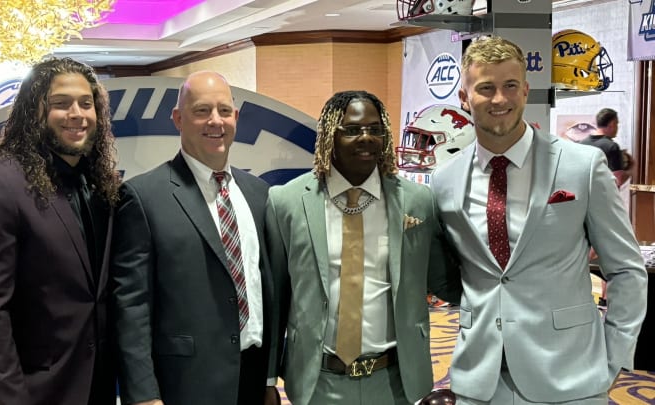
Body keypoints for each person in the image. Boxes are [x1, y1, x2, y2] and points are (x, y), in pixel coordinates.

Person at [430, 35, 648, 404]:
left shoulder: (582, 166)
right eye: (486, 88)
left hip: (570, 375)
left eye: (510, 85)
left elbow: (626, 269)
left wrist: (614, 359)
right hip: (479, 379)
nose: (500, 99)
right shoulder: (445, 179)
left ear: (526, 90)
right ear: (464, 98)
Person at [266, 90, 462, 405]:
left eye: (375, 129)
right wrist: (267, 379)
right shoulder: (285, 202)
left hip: (397, 382)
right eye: (353, 130)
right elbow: (275, 298)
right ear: (330, 134)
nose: (366, 138)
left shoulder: (417, 201)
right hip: (319, 384)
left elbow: (442, 280)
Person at [0, 57, 121, 405]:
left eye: (86, 103)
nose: (77, 114)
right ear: (34, 112)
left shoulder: (98, 186)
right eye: (61, 103)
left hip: (90, 387)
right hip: (24, 393)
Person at [110, 71, 279, 405]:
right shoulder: (144, 196)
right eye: (202, 111)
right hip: (183, 386)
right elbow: (132, 307)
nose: (215, 121)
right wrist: (143, 394)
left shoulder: (259, 195)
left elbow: (267, 290)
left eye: (224, 111)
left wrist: (270, 378)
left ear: (236, 118)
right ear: (178, 119)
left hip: (253, 379)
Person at [578, 108, 630, 187]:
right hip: (604, 196)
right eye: (617, 124)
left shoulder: (581, 144)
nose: (617, 128)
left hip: (584, 195)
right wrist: (631, 170)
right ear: (611, 124)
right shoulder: (612, 146)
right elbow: (618, 180)